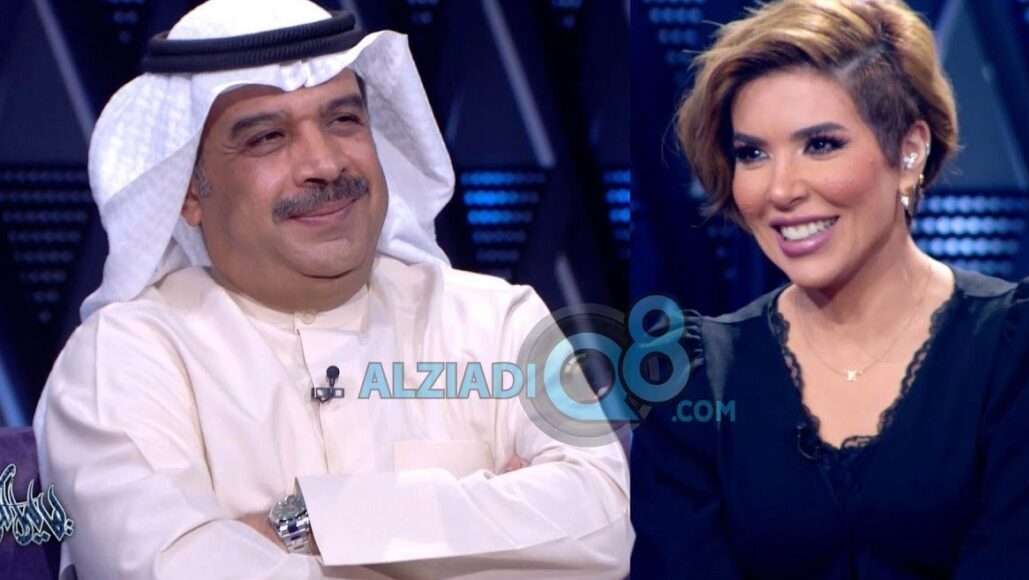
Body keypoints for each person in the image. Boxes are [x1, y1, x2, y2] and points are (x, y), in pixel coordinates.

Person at [32, 0, 630, 578]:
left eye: (343, 120)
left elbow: (602, 526)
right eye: (267, 137)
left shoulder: (497, 319)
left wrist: (307, 523)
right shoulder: (122, 359)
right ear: (189, 193)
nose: (324, 164)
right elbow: (171, 569)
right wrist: (480, 529)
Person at [630, 0, 1029, 577]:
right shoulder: (690, 374)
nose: (780, 190)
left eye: (820, 144)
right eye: (752, 154)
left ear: (908, 152)